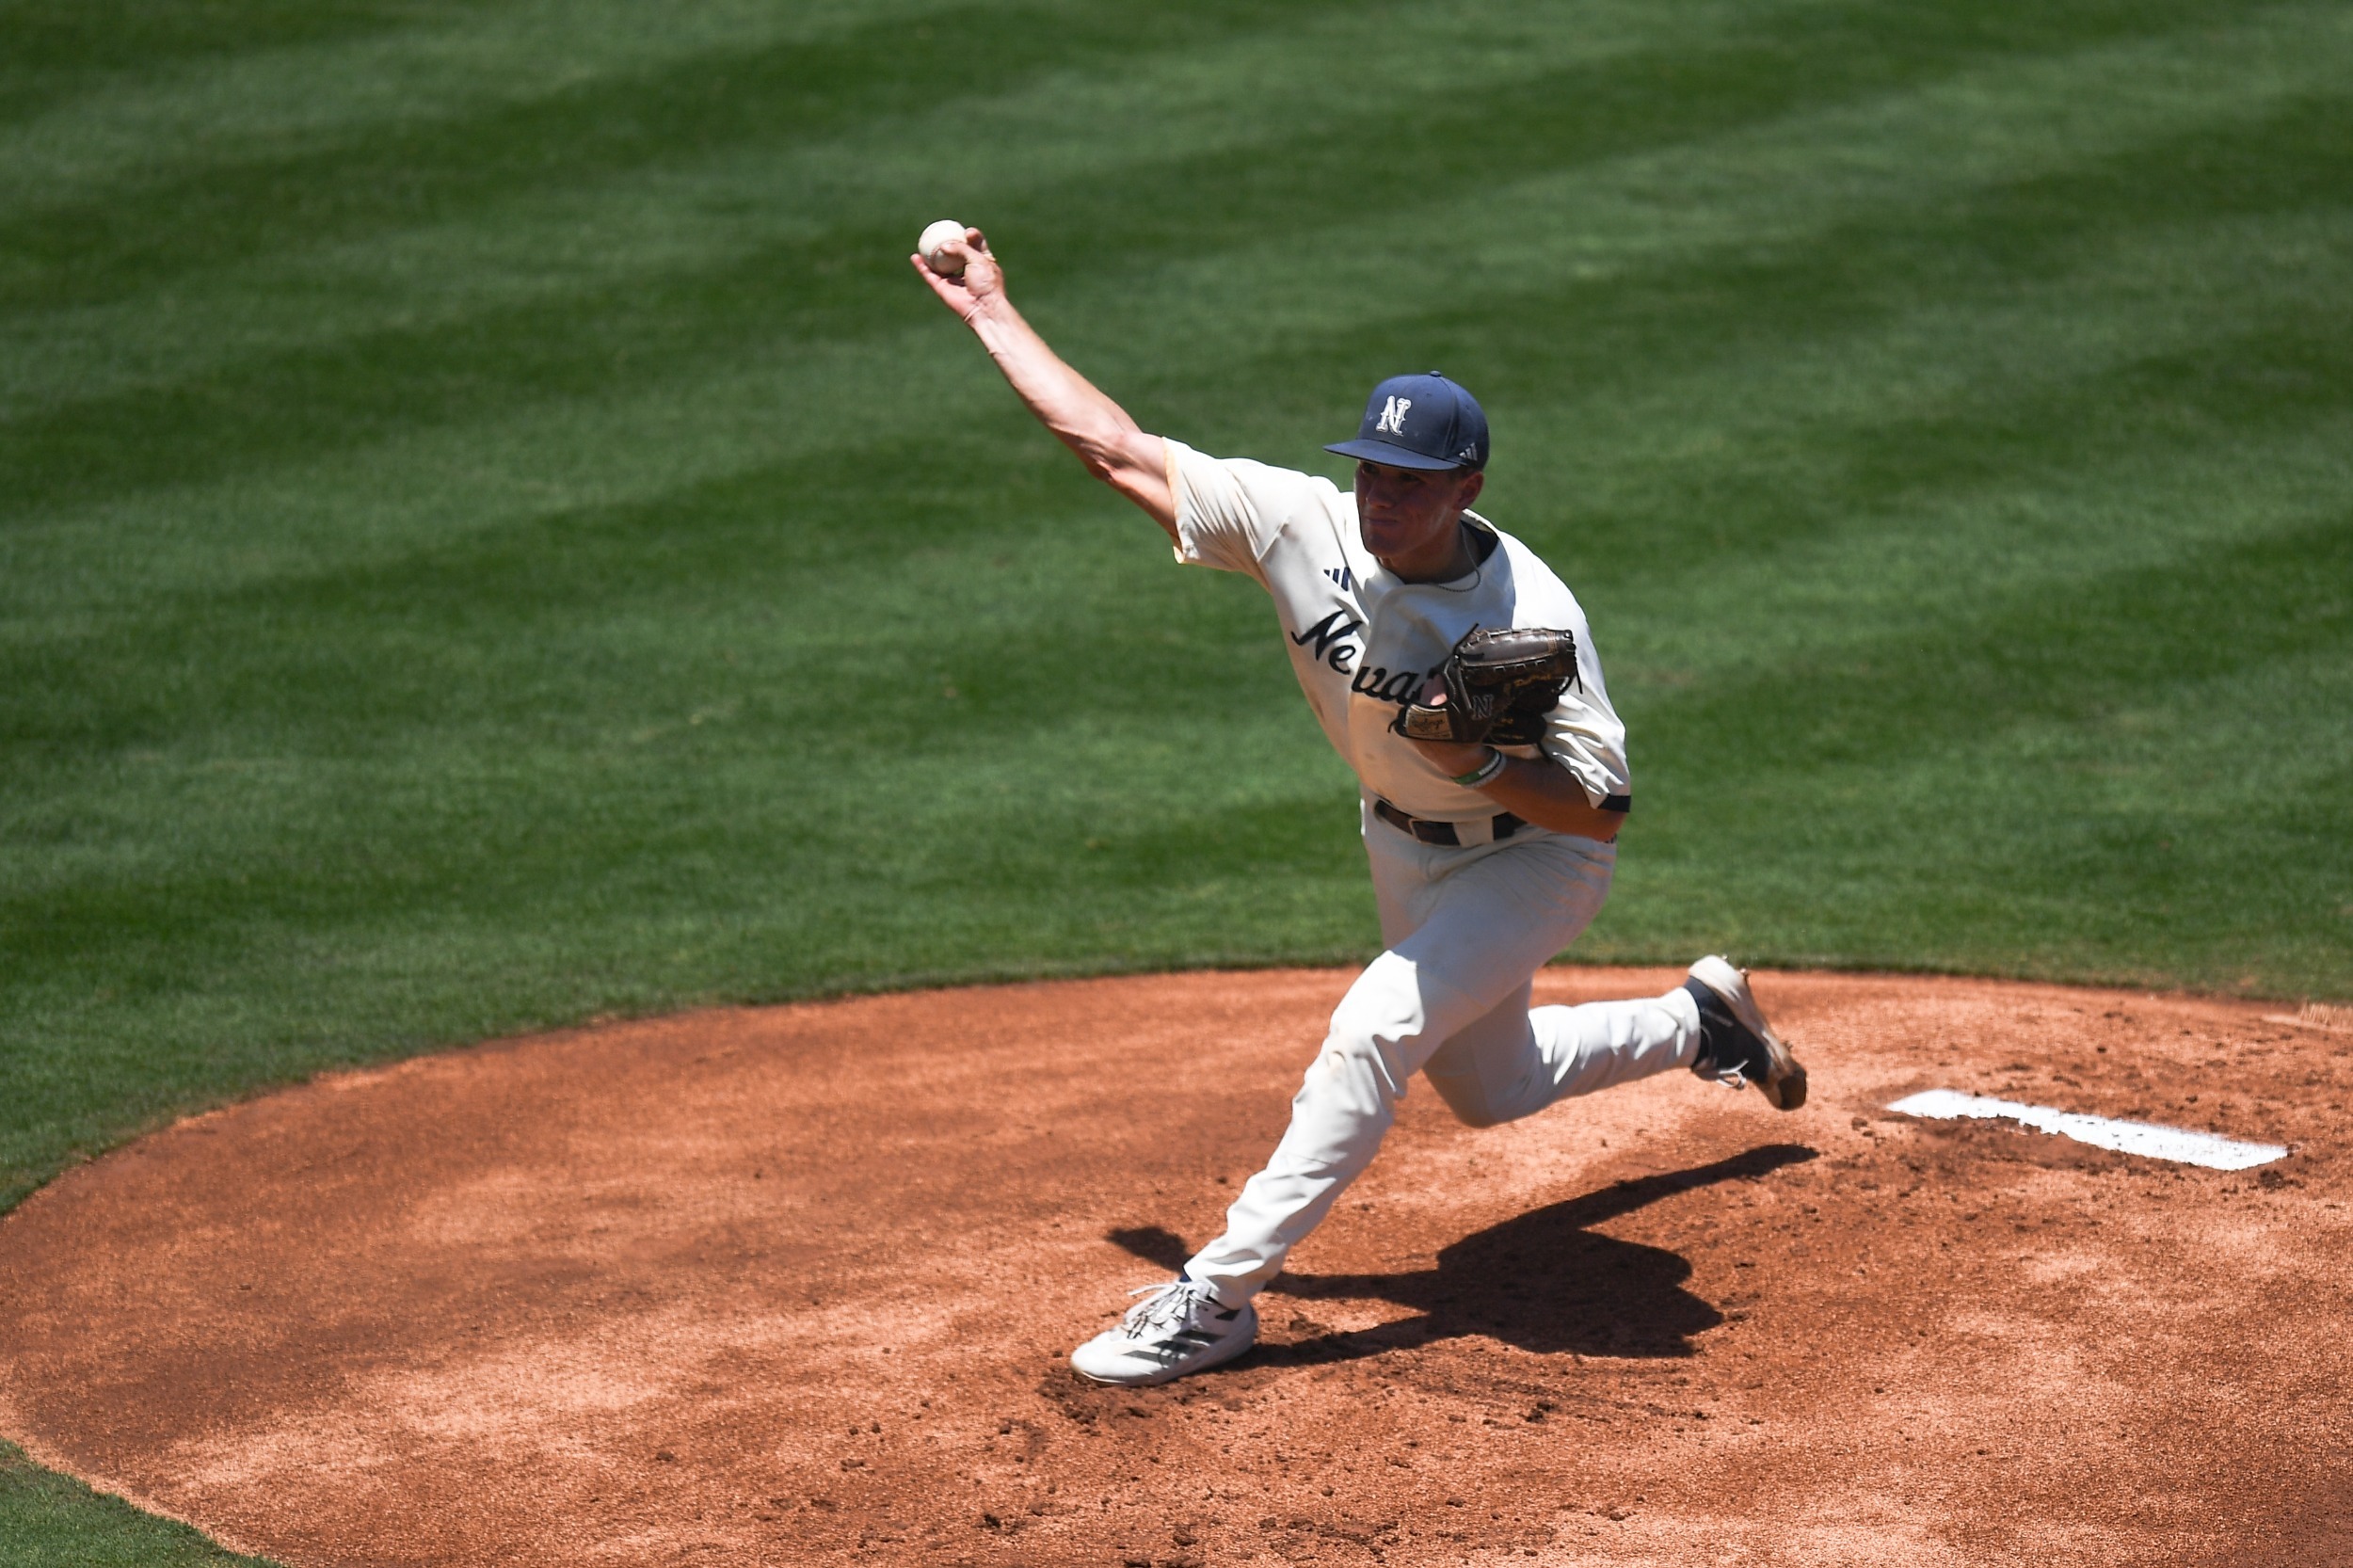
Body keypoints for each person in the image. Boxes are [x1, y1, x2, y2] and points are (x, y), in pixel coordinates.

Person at [911, 228, 1807, 1388]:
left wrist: (1478, 763)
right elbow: (1115, 449)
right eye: (1371, 472)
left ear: (1466, 488)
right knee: (1492, 1089)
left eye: (1411, 483)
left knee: (1372, 1028)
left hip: (1534, 855)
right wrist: (989, 311)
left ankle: (1215, 1299)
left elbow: (1600, 812)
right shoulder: (1301, 522)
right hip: (1398, 841)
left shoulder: (1529, 612)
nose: (1381, 498)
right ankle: (1704, 1022)